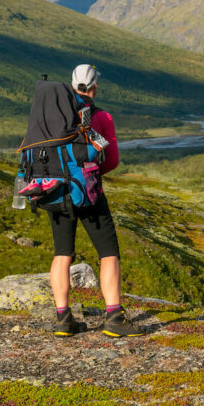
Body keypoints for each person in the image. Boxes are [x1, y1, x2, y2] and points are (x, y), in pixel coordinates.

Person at [48, 64, 141, 338]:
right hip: (89, 193)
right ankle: (114, 317)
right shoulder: (101, 117)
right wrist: (90, 174)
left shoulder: (54, 114)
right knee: (108, 252)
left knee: (62, 253)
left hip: (56, 192)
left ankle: (63, 319)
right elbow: (110, 159)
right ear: (94, 87)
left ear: (71, 85)